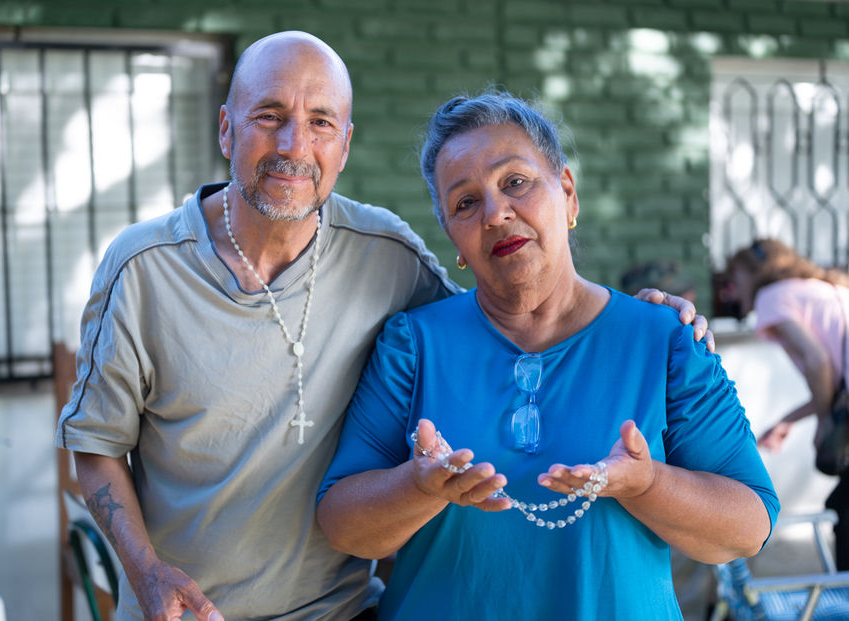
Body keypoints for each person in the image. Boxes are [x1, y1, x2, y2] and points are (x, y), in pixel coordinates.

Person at [55, 33, 709, 621]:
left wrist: (639, 316)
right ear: (226, 130)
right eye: (269, 117)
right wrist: (145, 573)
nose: (293, 146)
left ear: (344, 144)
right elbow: (96, 444)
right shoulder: (141, 268)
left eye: (319, 122)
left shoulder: (385, 252)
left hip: (342, 610)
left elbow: (503, 310)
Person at [316, 92, 778, 621]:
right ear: (453, 240)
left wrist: (649, 484)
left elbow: (750, 525)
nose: (496, 213)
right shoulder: (414, 345)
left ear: (567, 193)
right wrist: (417, 487)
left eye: (515, 182)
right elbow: (342, 524)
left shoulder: (664, 340)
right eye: (466, 202)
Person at [726, 238, 849, 568]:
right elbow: (833, 382)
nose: (733, 293)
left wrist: (823, 422)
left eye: (735, 282)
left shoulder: (771, 296)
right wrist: (790, 420)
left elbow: (817, 361)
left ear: (755, 275)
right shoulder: (813, 287)